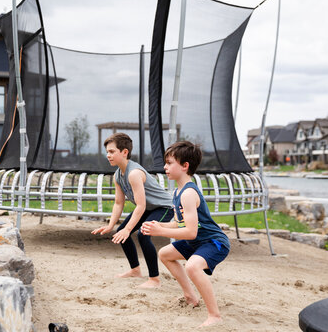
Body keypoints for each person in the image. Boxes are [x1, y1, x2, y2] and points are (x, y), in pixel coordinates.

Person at [141, 141, 230, 327]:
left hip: (214, 242)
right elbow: (179, 223)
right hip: (197, 241)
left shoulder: (188, 193)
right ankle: (190, 296)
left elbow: (190, 231)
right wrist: (160, 224)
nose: (165, 167)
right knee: (165, 254)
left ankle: (215, 316)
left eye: (169, 162)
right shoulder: (177, 192)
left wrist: (160, 231)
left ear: (184, 166)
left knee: (192, 267)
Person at [91, 133, 174, 288]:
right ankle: (135, 270)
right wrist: (110, 226)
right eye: (107, 152)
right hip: (149, 208)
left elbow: (140, 206)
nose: (108, 155)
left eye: (112, 151)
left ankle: (154, 280)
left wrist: (129, 229)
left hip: (164, 207)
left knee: (143, 234)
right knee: (121, 231)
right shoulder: (118, 175)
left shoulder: (134, 173)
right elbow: (118, 203)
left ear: (124, 152)